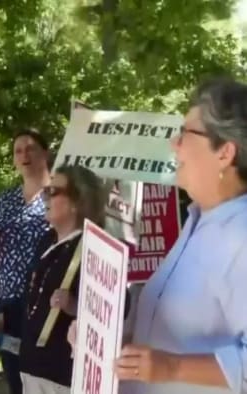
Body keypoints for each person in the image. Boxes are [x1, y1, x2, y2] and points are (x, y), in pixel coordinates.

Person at [110, 78, 247, 393]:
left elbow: (167, 362)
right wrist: (105, 338)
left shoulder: (241, 235)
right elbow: (165, 338)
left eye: (186, 133)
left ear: (225, 152)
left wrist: (171, 367)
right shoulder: (197, 221)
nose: (174, 143)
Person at [0, 165, 107, 394]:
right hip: (33, 369)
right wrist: (3, 319)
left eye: (53, 191)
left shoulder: (94, 248)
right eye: (46, 190)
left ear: (77, 202)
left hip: (63, 378)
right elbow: (34, 300)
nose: (45, 196)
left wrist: (75, 306)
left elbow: (115, 311)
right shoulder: (48, 241)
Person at [0, 129, 50, 393]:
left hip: (44, 300)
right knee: (14, 369)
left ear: (46, 154)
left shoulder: (58, 196)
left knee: (42, 372)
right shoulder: (5, 200)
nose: (24, 155)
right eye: (18, 151)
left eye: (30, 148)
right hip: (7, 301)